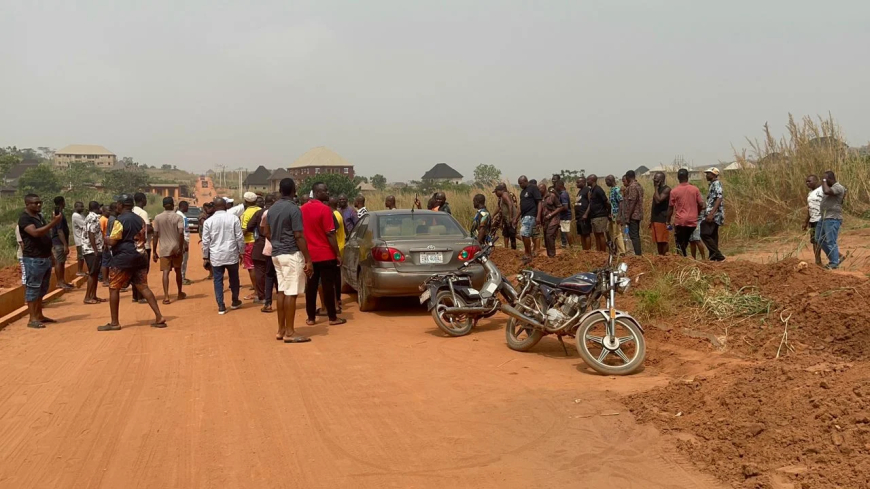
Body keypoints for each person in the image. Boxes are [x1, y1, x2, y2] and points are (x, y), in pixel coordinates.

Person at [103, 194, 166, 331]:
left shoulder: (119, 221)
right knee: (143, 287)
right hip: (140, 256)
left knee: (114, 287)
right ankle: (159, 316)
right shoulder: (140, 219)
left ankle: (114, 322)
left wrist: (106, 239)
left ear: (120, 205)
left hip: (123, 259)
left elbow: (114, 241)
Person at [265, 178, 314, 343]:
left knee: (281, 291)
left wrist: (276, 242)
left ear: (280, 190)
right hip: (291, 253)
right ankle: (290, 332)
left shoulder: (272, 209)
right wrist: (308, 259)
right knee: (291, 293)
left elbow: (265, 230)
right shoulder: (294, 209)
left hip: (277, 254)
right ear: (293, 190)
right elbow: (299, 235)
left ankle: (281, 329)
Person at [302, 182, 346, 326]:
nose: (327, 192)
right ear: (317, 192)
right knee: (328, 286)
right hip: (326, 254)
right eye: (325, 191)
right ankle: (332, 318)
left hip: (310, 255)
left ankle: (310, 318)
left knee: (311, 287)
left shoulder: (302, 209)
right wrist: (337, 254)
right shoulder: (325, 210)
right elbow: (330, 234)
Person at [19, 193, 64, 328]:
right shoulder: (25, 219)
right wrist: (54, 223)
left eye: (40, 202)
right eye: (35, 203)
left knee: (42, 289)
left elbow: (44, 236)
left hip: (44, 258)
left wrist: (50, 255)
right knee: (33, 288)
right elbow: (36, 233)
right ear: (27, 204)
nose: (38, 205)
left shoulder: (39, 217)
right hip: (33, 259)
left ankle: (39, 315)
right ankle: (32, 319)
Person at [201, 197, 244, 314]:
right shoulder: (234, 218)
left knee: (218, 280)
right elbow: (239, 237)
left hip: (216, 256)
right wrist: (241, 252)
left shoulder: (208, 222)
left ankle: (221, 305)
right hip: (232, 254)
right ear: (225, 206)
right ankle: (235, 301)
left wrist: (205, 256)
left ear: (214, 207)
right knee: (234, 278)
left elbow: (206, 241)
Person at [152, 197, 186, 304]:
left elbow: (155, 235)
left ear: (163, 205)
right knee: (178, 270)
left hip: (164, 248)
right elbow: (181, 233)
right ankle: (180, 292)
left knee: (165, 272)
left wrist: (154, 251)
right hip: (176, 247)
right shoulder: (178, 217)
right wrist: (181, 247)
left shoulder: (157, 218)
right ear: (172, 205)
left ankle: (166, 296)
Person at [667, 169, 705, 257]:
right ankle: (703, 259)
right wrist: (697, 212)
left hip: (680, 221)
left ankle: (683, 260)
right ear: (688, 177)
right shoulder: (695, 189)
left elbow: (670, 208)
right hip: (693, 221)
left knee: (680, 244)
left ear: (678, 178)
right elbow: (702, 204)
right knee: (695, 240)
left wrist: (667, 221)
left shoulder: (674, 191)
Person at [817, 170, 846, 269]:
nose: (822, 181)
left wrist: (824, 181)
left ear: (830, 179)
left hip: (832, 218)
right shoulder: (830, 187)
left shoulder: (838, 187)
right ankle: (835, 259)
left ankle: (834, 263)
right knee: (819, 239)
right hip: (824, 217)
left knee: (831, 241)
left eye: (824, 179)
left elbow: (826, 191)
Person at [257, 193, 279, 313]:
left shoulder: (266, 213)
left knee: (269, 275)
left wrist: (272, 239)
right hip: (283, 249)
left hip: (270, 248)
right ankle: (283, 301)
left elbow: (263, 230)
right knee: (280, 276)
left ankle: (268, 303)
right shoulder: (285, 211)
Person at [81, 201, 106, 304]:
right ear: (97, 208)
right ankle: (87, 297)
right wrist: (95, 249)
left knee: (95, 273)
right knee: (92, 273)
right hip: (91, 250)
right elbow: (91, 233)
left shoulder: (89, 217)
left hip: (91, 249)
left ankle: (93, 296)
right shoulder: (94, 218)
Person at [239, 192, 262, 298]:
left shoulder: (245, 214)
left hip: (250, 241)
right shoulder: (260, 210)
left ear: (245, 201)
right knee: (261, 267)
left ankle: (256, 291)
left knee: (251, 267)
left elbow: (245, 230)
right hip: (262, 242)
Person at [515, 175, 542, 264]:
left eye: (521, 183)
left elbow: (539, 202)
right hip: (524, 215)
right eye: (519, 184)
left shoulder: (533, 188)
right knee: (524, 235)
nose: (520, 185)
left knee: (524, 233)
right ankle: (527, 252)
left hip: (531, 215)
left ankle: (528, 254)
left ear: (526, 181)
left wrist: (538, 216)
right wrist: (516, 218)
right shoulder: (522, 192)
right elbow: (521, 207)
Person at [131, 192, 153, 303]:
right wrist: (153, 227)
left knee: (134, 271)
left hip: (132, 246)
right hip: (144, 245)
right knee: (143, 272)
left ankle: (135, 295)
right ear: (143, 200)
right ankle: (141, 296)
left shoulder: (131, 211)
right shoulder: (143, 213)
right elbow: (148, 229)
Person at [701, 168, 725, 261]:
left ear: (714, 174)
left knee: (704, 233)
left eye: (708, 173)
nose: (706, 175)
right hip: (713, 212)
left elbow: (719, 198)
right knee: (713, 235)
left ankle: (718, 255)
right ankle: (713, 257)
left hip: (715, 214)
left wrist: (711, 213)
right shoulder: (712, 184)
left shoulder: (717, 183)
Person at [50, 196, 74, 290]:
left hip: (59, 242)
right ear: (62, 202)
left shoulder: (58, 213)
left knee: (62, 262)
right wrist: (65, 244)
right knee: (59, 262)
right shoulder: (59, 215)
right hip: (58, 242)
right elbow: (59, 230)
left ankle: (62, 281)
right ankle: (59, 282)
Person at [803, 174, 824, 266]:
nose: (808, 183)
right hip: (813, 220)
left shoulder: (822, 190)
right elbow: (810, 208)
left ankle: (836, 258)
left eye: (809, 181)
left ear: (816, 181)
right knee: (815, 241)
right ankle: (818, 261)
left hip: (821, 219)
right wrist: (806, 221)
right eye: (806, 182)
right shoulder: (810, 193)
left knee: (822, 241)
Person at [650, 172, 672, 256]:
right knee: (658, 241)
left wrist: (655, 188)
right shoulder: (658, 189)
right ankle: (660, 257)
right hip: (655, 218)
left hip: (662, 219)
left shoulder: (666, 189)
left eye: (656, 179)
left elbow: (658, 200)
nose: (654, 181)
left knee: (663, 240)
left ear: (661, 180)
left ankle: (665, 257)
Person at [623, 170, 644, 255]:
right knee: (636, 235)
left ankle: (638, 255)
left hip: (633, 215)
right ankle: (638, 254)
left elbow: (632, 202)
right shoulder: (639, 186)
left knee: (634, 236)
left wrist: (628, 216)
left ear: (628, 177)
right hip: (638, 214)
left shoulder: (632, 187)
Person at [604, 175, 626, 255]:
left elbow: (621, 202)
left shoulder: (617, 190)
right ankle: (615, 250)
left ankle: (622, 251)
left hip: (616, 215)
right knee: (611, 232)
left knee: (617, 233)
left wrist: (619, 215)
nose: (606, 183)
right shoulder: (612, 190)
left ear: (610, 180)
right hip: (612, 215)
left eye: (607, 181)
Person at [492, 183, 517, 249]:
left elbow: (510, 205)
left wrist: (511, 217)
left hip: (510, 219)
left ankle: (514, 250)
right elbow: (502, 209)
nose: (496, 194)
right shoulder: (501, 197)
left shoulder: (505, 195)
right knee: (506, 234)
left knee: (513, 235)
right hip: (506, 219)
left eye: (496, 192)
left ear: (500, 190)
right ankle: (506, 250)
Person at [541, 184, 562, 257]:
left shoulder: (552, 196)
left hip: (554, 219)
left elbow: (560, 207)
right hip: (545, 220)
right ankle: (549, 255)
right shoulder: (541, 198)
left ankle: (552, 255)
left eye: (540, 189)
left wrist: (550, 215)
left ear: (544, 189)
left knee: (549, 235)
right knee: (546, 238)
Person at [176, 201, 192, 285]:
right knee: (182, 261)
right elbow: (181, 232)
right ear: (184, 206)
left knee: (184, 260)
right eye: (187, 206)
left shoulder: (182, 216)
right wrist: (184, 243)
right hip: (183, 241)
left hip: (185, 240)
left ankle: (183, 277)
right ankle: (181, 279)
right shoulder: (179, 216)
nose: (188, 208)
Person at [199, 201, 216, 280]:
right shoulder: (203, 216)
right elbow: (205, 225)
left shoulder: (213, 216)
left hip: (211, 240)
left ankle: (213, 273)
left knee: (211, 258)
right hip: (206, 239)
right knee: (207, 258)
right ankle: (211, 273)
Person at [574, 177, 592, 250]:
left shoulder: (587, 190)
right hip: (579, 216)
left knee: (586, 233)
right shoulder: (580, 191)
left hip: (584, 216)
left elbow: (591, 203)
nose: (576, 184)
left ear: (583, 183)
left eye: (578, 182)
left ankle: (588, 250)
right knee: (581, 234)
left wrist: (586, 214)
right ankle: (584, 250)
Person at [72, 201, 87, 277]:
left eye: (82, 206)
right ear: (75, 207)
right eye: (80, 206)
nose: (82, 208)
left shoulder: (81, 215)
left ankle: (81, 270)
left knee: (82, 256)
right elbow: (85, 225)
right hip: (79, 239)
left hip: (82, 239)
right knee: (80, 256)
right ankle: (79, 271)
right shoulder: (76, 216)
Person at [556, 180, 573, 248]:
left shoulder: (563, 194)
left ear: (560, 186)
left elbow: (565, 207)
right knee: (564, 230)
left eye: (556, 186)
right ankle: (567, 245)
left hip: (565, 216)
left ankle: (571, 246)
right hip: (564, 216)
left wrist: (557, 210)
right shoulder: (562, 194)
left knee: (566, 230)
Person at [99, 205, 112, 286]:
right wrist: (104, 243)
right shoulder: (102, 220)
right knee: (105, 262)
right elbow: (101, 232)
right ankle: (105, 280)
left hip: (109, 243)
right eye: (107, 210)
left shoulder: (108, 219)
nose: (109, 212)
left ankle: (107, 278)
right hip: (105, 244)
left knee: (108, 262)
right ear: (103, 211)